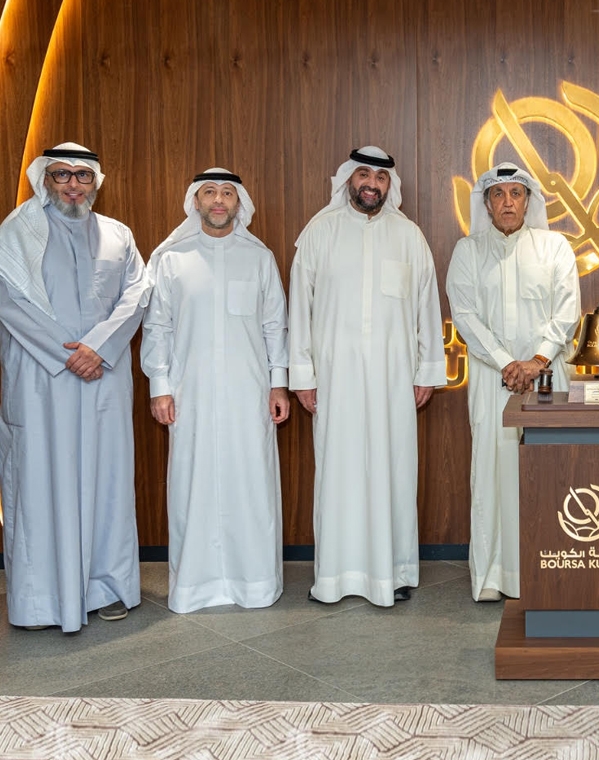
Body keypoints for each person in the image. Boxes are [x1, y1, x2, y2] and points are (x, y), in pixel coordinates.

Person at [0, 142, 150, 631]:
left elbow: (137, 294)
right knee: (42, 482)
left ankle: (107, 587)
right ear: (44, 178)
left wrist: (97, 348)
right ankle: (42, 599)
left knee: (107, 482)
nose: (72, 184)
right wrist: (68, 355)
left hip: (104, 377)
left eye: (82, 175)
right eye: (61, 174)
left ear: (95, 182)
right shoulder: (17, 233)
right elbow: (10, 301)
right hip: (42, 380)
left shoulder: (118, 235)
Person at [289, 146, 446, 606]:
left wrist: (427, 371)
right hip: (334, 379)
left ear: (389, 186)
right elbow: (299, 310)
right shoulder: (319, 232)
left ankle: (394, 572)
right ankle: (335, 577)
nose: (371, 184)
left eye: (380, 178)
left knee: (393, 470)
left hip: (394, 380)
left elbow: (427, 308)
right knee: (338, 473)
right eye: (363, 175)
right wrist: (303, 375)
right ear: (348, 180)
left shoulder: (409, 236)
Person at [142, 169, 289, 613]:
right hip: (191, 395)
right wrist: (160, 387)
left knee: (251, 484)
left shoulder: (259, 258)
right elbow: (158, 327)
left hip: (250, 395)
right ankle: (195, 586)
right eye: (210, 192)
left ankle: (255, 583)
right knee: (193, 484)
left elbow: (275, 325)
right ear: (196, 201)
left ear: (239, 203)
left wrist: (279, 384)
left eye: (227, 193)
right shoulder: (172, 259)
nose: (219, 200)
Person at [446, 162, 580, 602]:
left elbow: (567, 310)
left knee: (549, 473)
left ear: (528, 201)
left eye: (516, 194)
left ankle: (551, 575)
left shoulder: (554, 246)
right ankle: (493, 576)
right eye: (498, 194)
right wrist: (508, 363)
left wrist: (537, 360)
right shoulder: (468, 251)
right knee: (492, 472)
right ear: (486, 203)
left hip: (548, 377)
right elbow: (465, 315)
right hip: (492, 380)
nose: (507, 202)